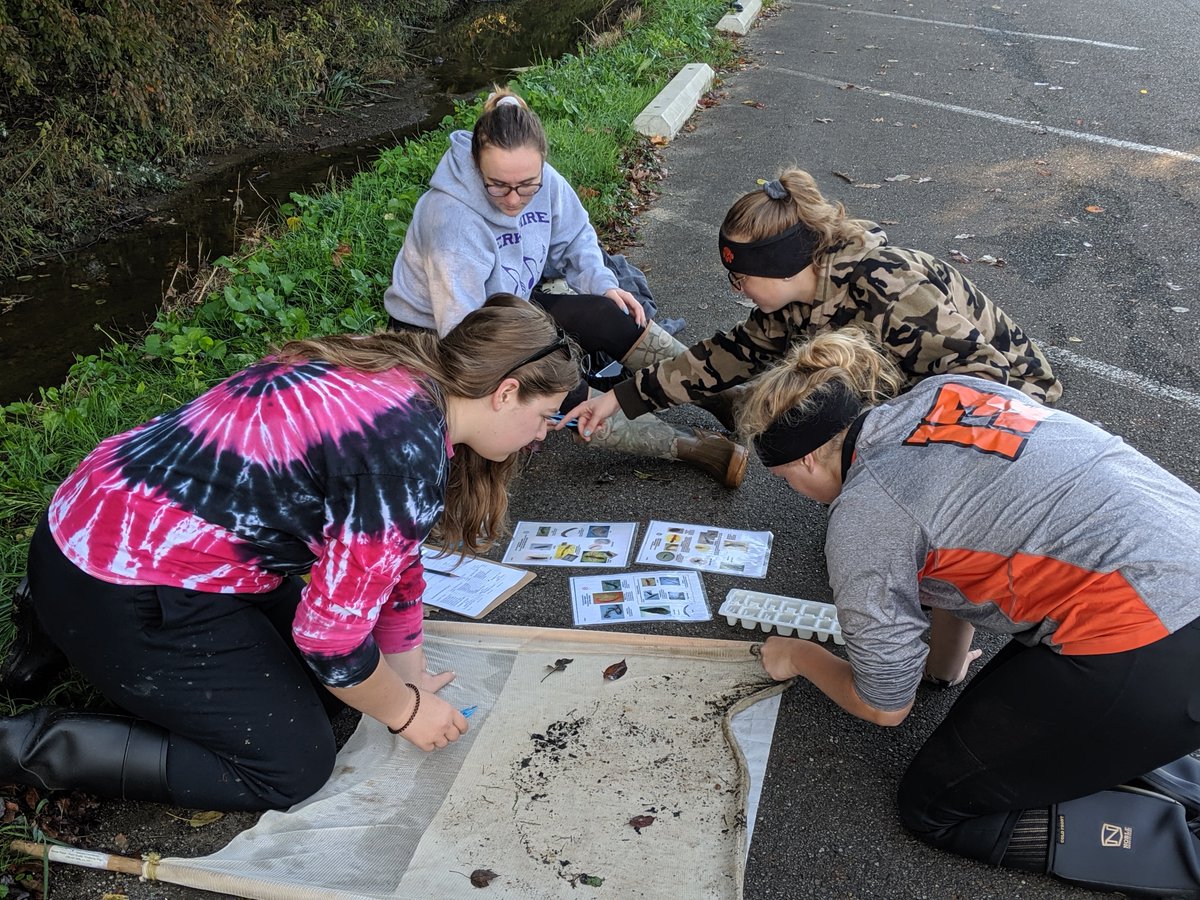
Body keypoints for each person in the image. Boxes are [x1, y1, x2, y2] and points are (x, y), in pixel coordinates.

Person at [0, 295, 582, 812]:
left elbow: (391, 561)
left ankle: (48, 616)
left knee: (339, 698)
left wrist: (407, 675)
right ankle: (27, 745)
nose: (539, 435)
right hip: (121, 583)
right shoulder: (403, 451)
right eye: (543, 415)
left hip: (95, 526)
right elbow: (329, 644)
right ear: (506, 393)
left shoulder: (401, 369)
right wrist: (406, 712)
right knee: (292, 764)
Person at [740, 329, 1200, 897]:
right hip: (1175, 567)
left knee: (934, 807)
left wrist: (800, 656)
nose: (792, 491)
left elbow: (886, 706)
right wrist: (945, 665)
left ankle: (1179, 845)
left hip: (1149, 635)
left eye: (785, 479)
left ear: (807, 456)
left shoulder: (865, 513)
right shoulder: (945, 391)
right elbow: (953, 548)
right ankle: (1144, 749)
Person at [383, 85, 746, 488]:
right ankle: (690, 446)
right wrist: (539, 370)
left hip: (510, 302)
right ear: (475, 164)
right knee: (561, 382)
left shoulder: (546, 183)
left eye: (527, 185)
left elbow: (575, 238)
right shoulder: (450, 222)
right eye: (498, 186)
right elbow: (466, 333)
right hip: (445, 332)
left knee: (609, 314)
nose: (514, 199)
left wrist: (602, 284)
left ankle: (716, 396)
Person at [563, 167, 1061, 444]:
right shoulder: (801, 293)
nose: (737, 289)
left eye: (741, 276)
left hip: (1013, 407)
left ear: (782, 266)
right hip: (924, 394)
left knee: (823, 420)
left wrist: (894, 445)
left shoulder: (888, 287)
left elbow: (985, 382)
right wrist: (621, 399)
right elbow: (724, 357)